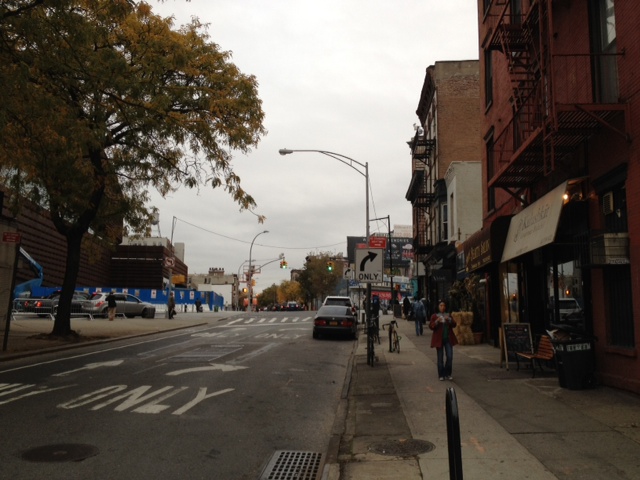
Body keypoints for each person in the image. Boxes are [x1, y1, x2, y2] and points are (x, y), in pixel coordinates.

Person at [429, 300, 458, 381]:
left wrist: (449, 319)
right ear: (438, 307)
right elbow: (431, 326)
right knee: (440, 358)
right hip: (439, 340)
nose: (442, 307)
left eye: (444, 305)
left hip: (448, 339)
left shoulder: (448, 315)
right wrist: (437, 321)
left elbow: (454, 324)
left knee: (450, 356)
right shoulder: (434, 316)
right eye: (441, 306)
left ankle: (448, 373)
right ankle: (441, 374)